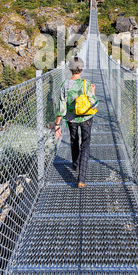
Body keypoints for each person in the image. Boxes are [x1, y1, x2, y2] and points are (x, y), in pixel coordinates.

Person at [54, 56, 98, 188]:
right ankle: (81, 179)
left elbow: (62, 107)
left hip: (71, 119)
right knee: (85, 145)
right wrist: (93, 92)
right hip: (86, 119)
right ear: (82, 69)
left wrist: (57, 125)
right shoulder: (87, 83)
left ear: (70, 69)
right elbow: (94, 103)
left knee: (74, 140)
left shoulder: (65, 85)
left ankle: (75, 164)